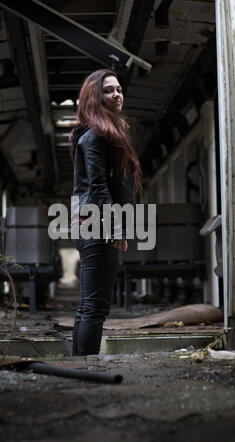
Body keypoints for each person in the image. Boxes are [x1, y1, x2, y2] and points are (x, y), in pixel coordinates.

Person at [69, 69, 142, 356]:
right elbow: (99, 188)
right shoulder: (97, 136)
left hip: (88, 224)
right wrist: (115, 230)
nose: (117, 95)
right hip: (97, 225)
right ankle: (87, 369)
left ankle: (79, 366)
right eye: (109, 90)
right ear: (94, 97)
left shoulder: (96, 134)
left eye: (119, 89)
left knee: (89, 304)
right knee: (96, 306)